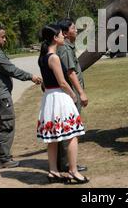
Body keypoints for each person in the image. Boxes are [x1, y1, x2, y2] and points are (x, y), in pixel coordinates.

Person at [0, 25, 42, 169]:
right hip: (0, 98)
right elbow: (11, 69)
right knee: (6, 126)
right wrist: (31, 77)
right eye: (2, 36)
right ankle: (3, 159)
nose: (5, 39)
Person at [37, 24, 89, 184]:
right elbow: (63, 82)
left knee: (52, 138)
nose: (63, 37)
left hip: (49, 97)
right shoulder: (54, 57)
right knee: (72, 134)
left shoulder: (42, 57)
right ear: (54, 38)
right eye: (61, 35)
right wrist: (74, 95)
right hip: (60, 97)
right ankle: (73, 171)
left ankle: (53, 171)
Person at [56, 18, 88, 172]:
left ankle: (66, 162)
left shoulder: (68, 47)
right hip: (71, 94)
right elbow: (70, 73)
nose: (76, 30)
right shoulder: (65, 49)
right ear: (65, 33)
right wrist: (80, 93)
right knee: (69, 128)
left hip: (71, 92)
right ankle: (68, 163)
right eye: (73, 28)